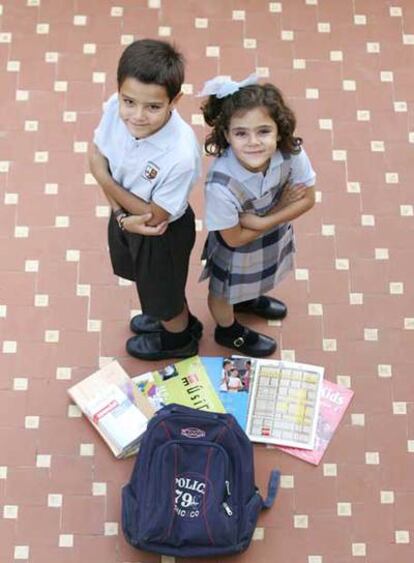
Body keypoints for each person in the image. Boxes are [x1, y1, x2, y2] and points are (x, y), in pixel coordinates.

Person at [89, 39, 202, 360]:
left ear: (174, 101)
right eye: (130, 102)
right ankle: (174, 319)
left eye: (153, 107)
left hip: (162, 234)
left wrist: (103, 179)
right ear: (119, 91)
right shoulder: (114, 107)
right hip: (127, 216)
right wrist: (120, 215)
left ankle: (179, 341)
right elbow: (97, 152)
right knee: (156, 287)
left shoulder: (180, 154)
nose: (137, 116)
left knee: (165, 297)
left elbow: (156, 217)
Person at [198, 74, 316, 357]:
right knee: (223, 292)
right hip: (235, 250)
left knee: (257, 277)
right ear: (226, 135)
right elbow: (235, 238)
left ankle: (247, 300)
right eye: (241, 133)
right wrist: (281, 210)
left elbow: (308, 199)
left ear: (279, 130)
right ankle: (227, 330)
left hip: (270, 236)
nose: (253, 142)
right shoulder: (220, 185)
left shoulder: (292, 154)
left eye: (263, 131)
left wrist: (264, 220)